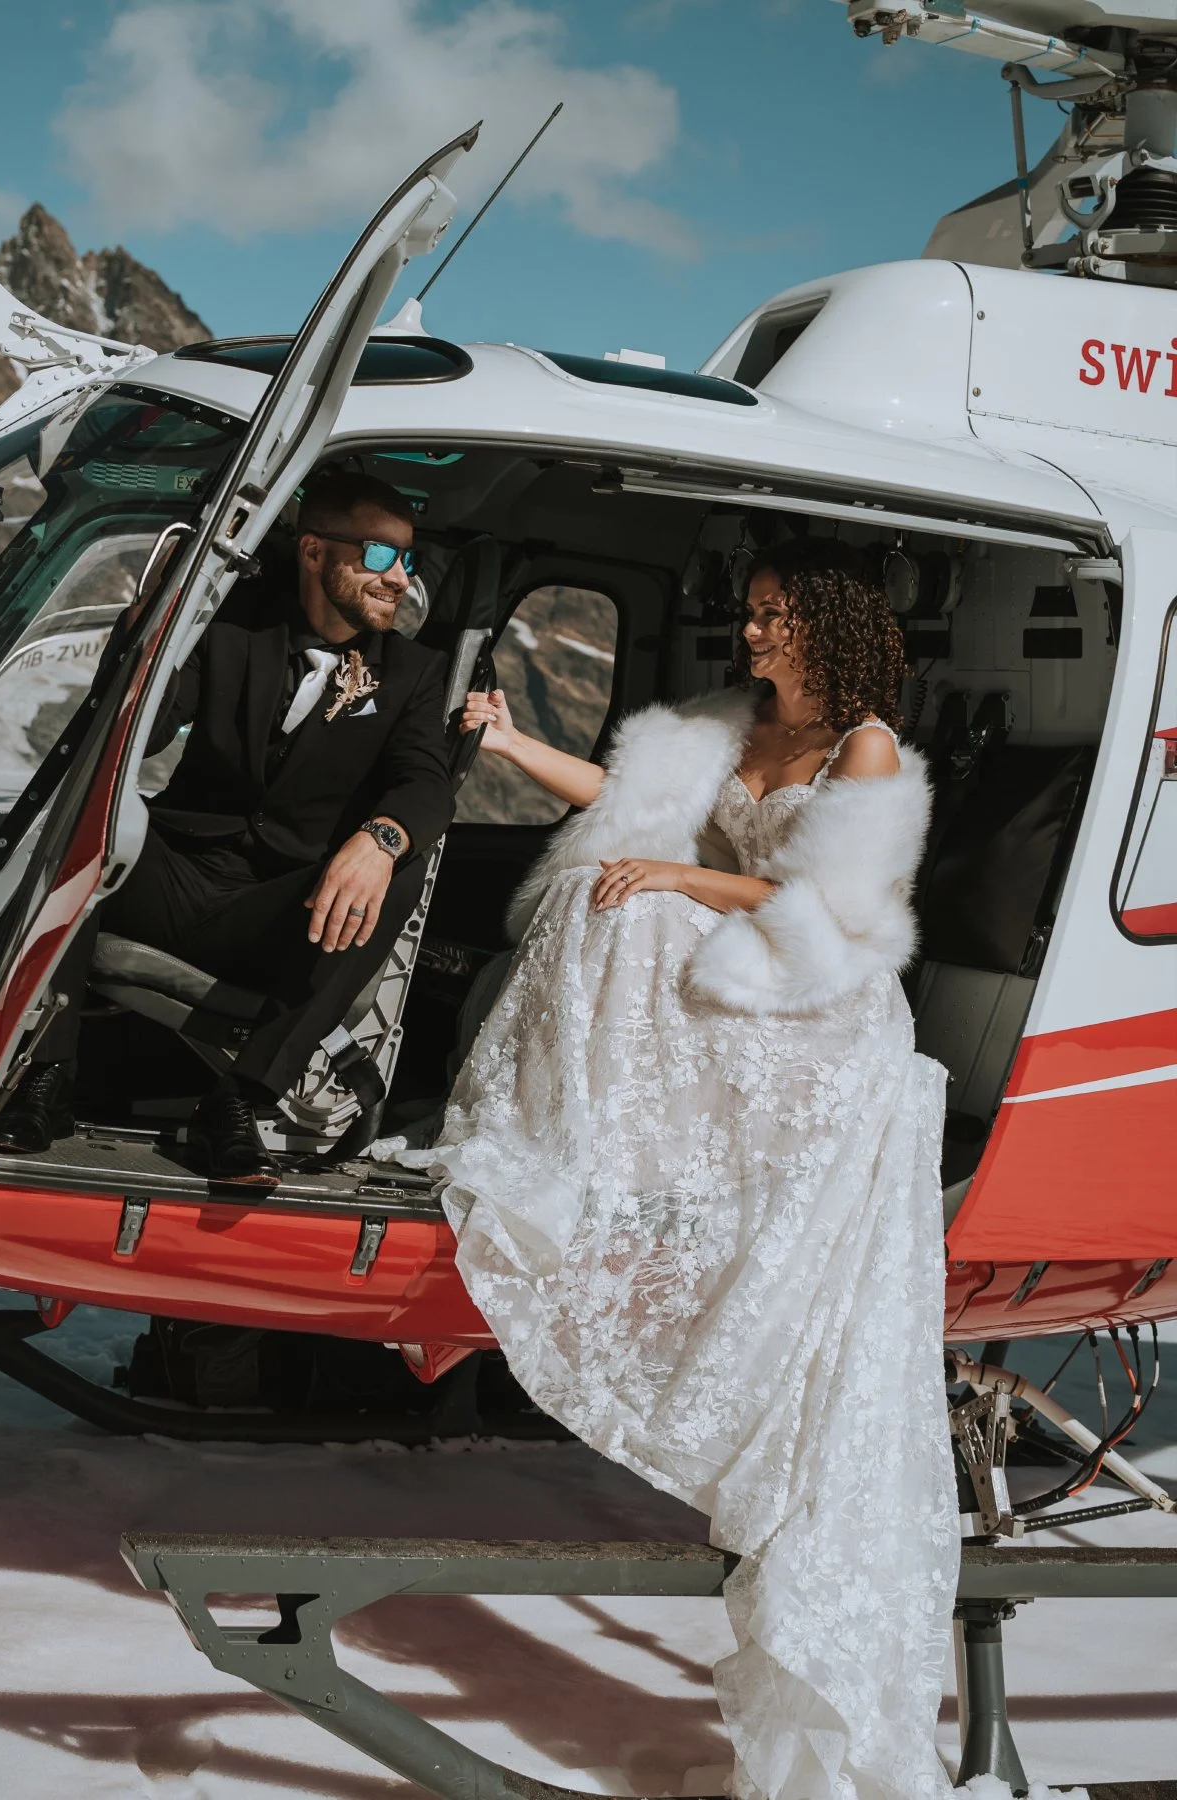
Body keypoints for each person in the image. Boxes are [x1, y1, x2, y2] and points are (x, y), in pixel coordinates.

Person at [396, 538, 959, 1799]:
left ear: (827, 626)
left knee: (641, 903)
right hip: (745, 967)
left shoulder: (866, 748)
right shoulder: (735, 725)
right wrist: (497, 741)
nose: (752, 636)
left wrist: (672, 878)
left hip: (823, 1004)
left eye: (772, 619)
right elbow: (613, 796)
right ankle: (576, 1135)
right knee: (614, 886)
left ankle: (586, 1146)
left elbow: (824, 904)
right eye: (750, 616)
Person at [0, 470, 455, 1183]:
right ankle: (48, 1080)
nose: (400, 579)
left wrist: (379, 840)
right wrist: (144, 634)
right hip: (176, 872)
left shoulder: (413, 672)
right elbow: (140, 728)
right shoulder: (234, 630)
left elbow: (425, 780)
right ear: (314, 553)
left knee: (401, 867)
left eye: (408, 561)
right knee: (87, 811)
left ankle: (238, 1101)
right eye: (382, 557)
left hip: (280, 912)